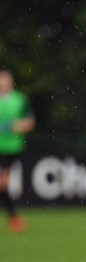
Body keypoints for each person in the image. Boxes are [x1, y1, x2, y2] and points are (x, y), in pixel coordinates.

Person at [0, 69, 35, 233]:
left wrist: (17, 126)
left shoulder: (20, 100)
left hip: (13, 148)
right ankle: (14, 217)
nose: (3, 83)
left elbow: (30, 122)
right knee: (4, 182)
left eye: (5, 79)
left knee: (4, 183)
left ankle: (13, 217)